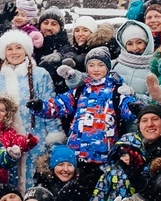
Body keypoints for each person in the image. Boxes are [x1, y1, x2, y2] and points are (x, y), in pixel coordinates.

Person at [33, 48, 142, 193]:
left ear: (107, 67)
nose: (96, 69)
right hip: (76, 155)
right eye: (91, 65)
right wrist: (41, 106)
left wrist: (135, 108)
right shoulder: (80, 90)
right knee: (74, 194)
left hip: (103, 157)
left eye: (100, 65)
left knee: (98, 194)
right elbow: (60, 104)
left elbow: (127, 106)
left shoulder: (116, 91)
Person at [0, 29, 55, 181]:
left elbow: (51, 108)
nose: (14, 52)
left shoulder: (40, 75)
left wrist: (53, 137)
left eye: (18, 47)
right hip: (7, 140)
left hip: (36, 135)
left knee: (34, 179)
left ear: (26, 50)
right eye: (9, 49)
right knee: (11, 180)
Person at [112, 20, 156, 104]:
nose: (135, 48)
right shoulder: (115, 65)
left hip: (142, 115)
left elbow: (156, 101)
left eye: (139, 42)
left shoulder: (154, 68)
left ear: (147, 43)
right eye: (130, 44)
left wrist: (134, 95)